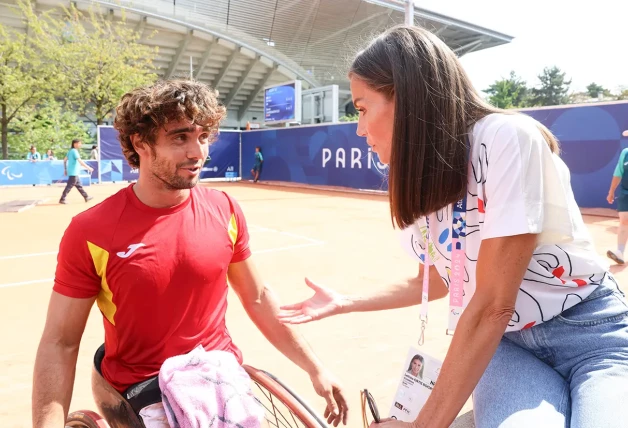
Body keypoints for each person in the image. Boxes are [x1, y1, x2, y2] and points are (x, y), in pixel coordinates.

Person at [278, 26, 628, 428]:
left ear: (407, 99)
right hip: (508, 347)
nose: (359, 129)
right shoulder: (417, 180)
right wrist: (346, 301)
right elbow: (438, 280)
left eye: (361, 108)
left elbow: (494, 304)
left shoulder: (505, 138)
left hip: (591, 337)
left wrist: (422, 426)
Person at [32, 79, 348, 428]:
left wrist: (315, 367)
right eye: (180, 138)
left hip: (218, 377)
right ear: (141, 144)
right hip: (141, 390)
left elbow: (257, 298)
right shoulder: (91, 230)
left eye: (202, 137)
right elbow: (59, 342)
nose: (197, 152)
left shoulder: (225, 209)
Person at [606, 146, 628, 264]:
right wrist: (611, 191)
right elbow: (618, 173)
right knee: (624, 220)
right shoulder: (625, 152)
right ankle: (620, 252)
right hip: (626, 193)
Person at [59, 139, 93, 204]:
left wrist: (65, 169)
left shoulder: (70, 151)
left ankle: (86, 197)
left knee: (79, 185)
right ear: (75, 144)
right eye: (79, 143)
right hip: (74, 172)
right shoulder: (74, 151)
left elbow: (64, 160)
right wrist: (88, 168)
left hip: (73, 172)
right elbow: (80, 161)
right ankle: (62, 199)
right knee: (69, 186)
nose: (80, 145)